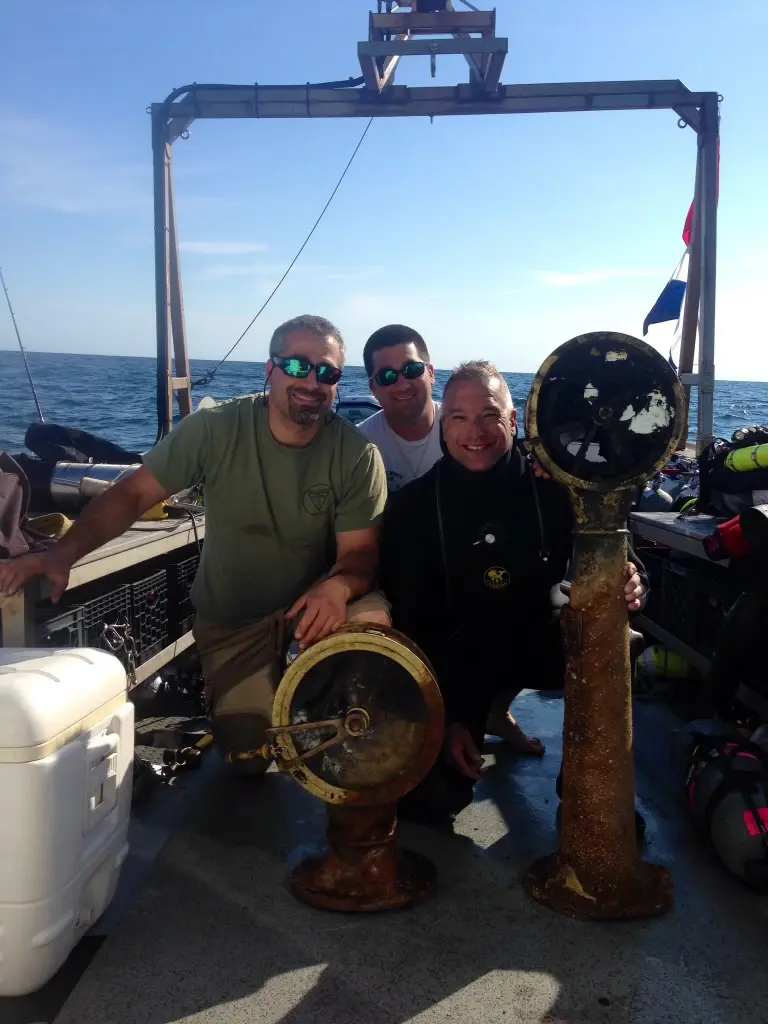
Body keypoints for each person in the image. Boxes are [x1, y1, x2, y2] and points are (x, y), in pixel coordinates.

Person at [0, 314, 391, 771]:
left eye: (326, 371)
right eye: (297, 366)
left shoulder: (356, 454)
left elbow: (359, 556)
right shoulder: (215, 430)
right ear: (270, 370)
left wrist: (338, 588)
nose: (312, 381)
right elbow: (132, 495)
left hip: (314, 608)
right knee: (249, 760)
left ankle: (346, 733)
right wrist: (61, 554)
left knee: (375, 625)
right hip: (234, 621)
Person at [379, 360, 648, 824]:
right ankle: (482, 717)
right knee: (432, 803)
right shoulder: (413, 508)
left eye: (489, 415)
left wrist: (634, 580)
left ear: (514, 421)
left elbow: (617, 552)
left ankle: (587, 783)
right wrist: (449, 720)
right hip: (460, 661)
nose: (475, 432)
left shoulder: (559, 489)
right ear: (444, 426)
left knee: (620, 642)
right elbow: (414, 624)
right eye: (459, 418)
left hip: (537, 642)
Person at [358, 324, 443, 493]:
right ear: (373, 388)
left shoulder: (465, 429)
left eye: (412, 370)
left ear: (431, 373)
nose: (403, 385)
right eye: (386, 376)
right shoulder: (358, 445)